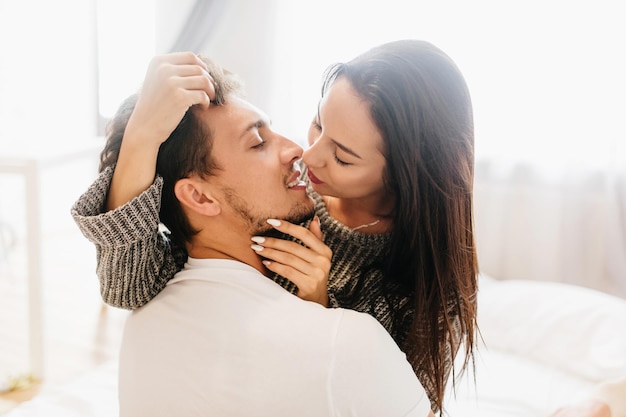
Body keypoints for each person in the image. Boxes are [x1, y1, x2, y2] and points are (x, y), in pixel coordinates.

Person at [74, 39, 478, 414]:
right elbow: (126, 283)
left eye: (342, 157)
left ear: (403, 176)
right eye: (318, 125)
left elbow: (386, 396)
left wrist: (319, 313)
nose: (307, 154)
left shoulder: (429, 289)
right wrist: (143, 132)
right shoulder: (273, 204)